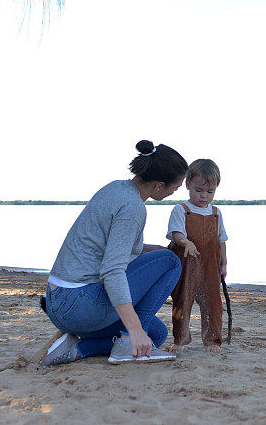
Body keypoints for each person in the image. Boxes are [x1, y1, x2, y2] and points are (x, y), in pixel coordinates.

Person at [39, 140, 188, 366]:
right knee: (170, 262)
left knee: (156, 335)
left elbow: (106, 247)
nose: (175, 192)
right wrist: (135, 330)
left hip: (58, 303)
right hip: (79, 303)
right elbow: (112, 271)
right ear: (159, 185)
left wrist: (146, 250)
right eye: (175, 187)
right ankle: (127, 341)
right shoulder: (133, 207)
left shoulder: (115, 188)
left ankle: (77, 348)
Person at [166, 159, 229, 353]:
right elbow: (176, 234)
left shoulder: (216, 213)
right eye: (199, 190)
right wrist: (186, 242)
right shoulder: (181, 210)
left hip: (210, 266)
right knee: (182, 302)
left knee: (213, 304)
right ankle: (181, 339)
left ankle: (212, 340)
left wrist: (224, 264)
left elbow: (221, 240)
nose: (204, 196)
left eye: (210, 192)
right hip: (186, 266)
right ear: (188, 185)